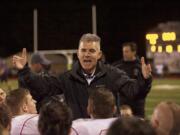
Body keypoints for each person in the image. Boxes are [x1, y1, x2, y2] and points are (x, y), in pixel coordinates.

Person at [12, 33, 152, 119]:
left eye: (91, 50)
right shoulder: (67, 77)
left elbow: (133, 91)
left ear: (99, 55)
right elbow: (42, 85)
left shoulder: (112, 74)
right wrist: (24, 70)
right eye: (83, 50)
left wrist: (144, 80)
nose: (86, 54)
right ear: (78, 54)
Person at [113, 42, 151, 118]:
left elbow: (146, 86)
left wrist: (147, 78)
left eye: (127, 51)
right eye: (123, 51)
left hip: (138, 103)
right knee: (123, 126)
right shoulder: (117, 66)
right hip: (123, 102)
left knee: (139, 126)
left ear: (134, 52)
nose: (124, 53)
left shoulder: (141, 66)